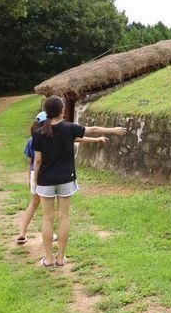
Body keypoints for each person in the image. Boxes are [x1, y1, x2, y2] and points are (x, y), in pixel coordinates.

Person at [32, 95, 126, 267]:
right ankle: (61, 258)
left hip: (45, 180)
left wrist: (35, 180)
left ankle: (49, 259)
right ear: (61, 111)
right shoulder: (69, 128)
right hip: (66, 179)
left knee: (47, 218)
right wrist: (113, 130)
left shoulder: (38, 133)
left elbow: (37, 161)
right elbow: (93, 129)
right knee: (64, 217)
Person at [15, 111, 48, 244]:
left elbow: (30, 163)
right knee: (48, 207)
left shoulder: (31, 140)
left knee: (33, 204)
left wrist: (30, 179)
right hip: (46, 173)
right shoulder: (49, 138)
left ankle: (22, 232)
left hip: (35, 174)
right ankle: (49, 233)